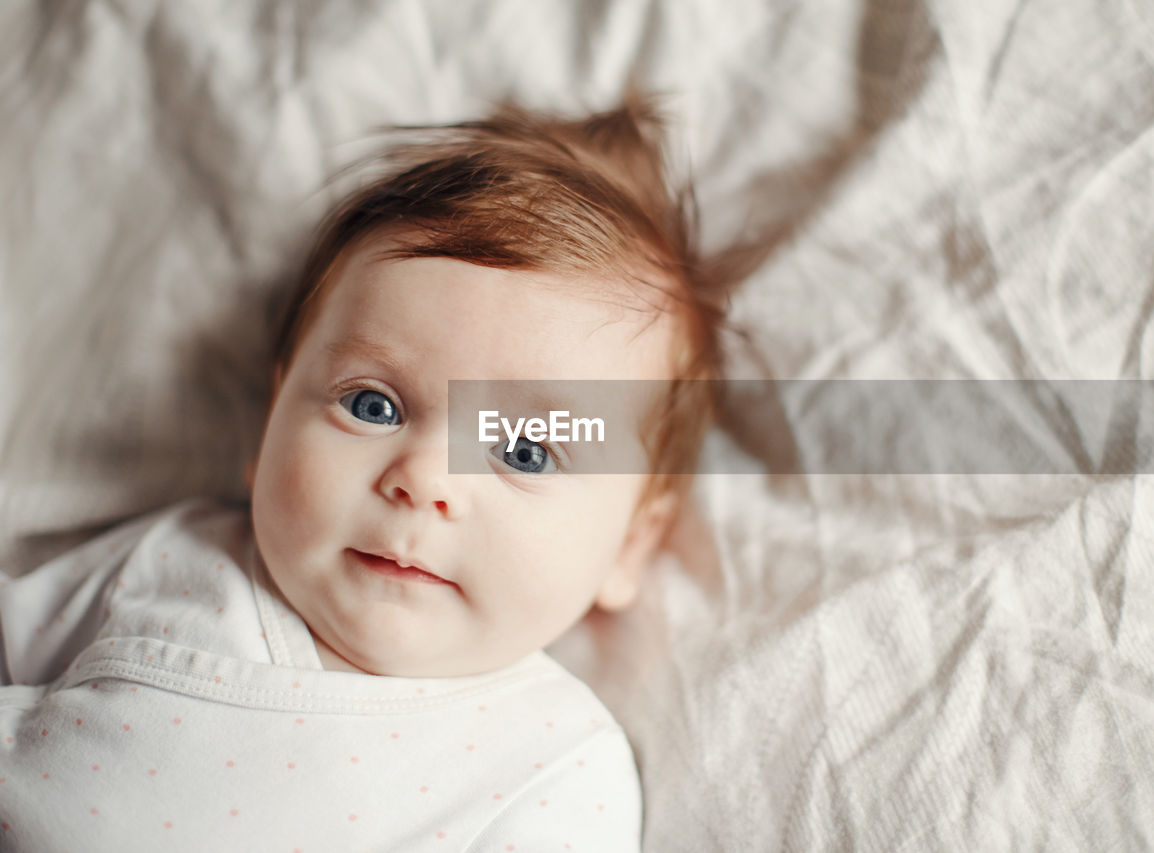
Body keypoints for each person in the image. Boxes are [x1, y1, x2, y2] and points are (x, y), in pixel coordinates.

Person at [0, 96, 730, 851]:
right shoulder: (175, 554)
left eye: (523, 451)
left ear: (629, 547)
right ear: (272, 419)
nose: (424, 479)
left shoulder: (554, 764)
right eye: (374, 405)